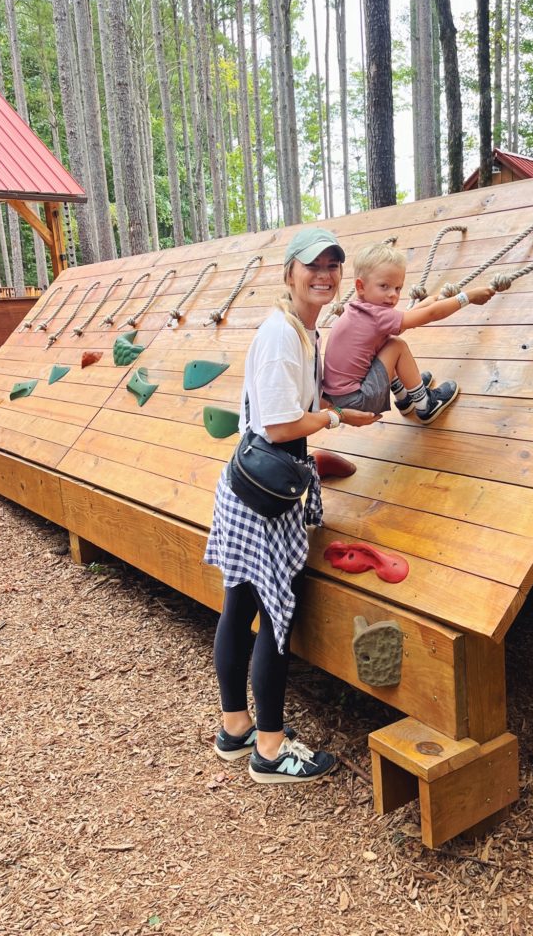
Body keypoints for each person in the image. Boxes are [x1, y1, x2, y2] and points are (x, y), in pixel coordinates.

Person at [204, 227, 379, 785]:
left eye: (332, 265)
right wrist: (335, 419)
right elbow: (279, 427)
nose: (323, 274)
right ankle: (271, 752)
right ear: (289, 274)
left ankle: (236, 731)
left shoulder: (302, 330)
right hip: (266, 504)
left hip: (246, 487)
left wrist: (333, 406)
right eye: (312, 266)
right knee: (275, 621)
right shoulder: (285, 334)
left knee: (238, 609)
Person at [323, 240, 495, 423]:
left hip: (341, 400)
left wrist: (433, 299)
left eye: (398, 288)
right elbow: (430, 315)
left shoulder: (358, 310)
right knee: (396, 345)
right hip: (358, 403)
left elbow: (405, 319)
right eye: (384, 286)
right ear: (360, 287)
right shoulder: (378, 316)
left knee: (386, 342)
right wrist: (466, 297)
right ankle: (425, 404)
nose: (393, 295)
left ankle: (404, 397)